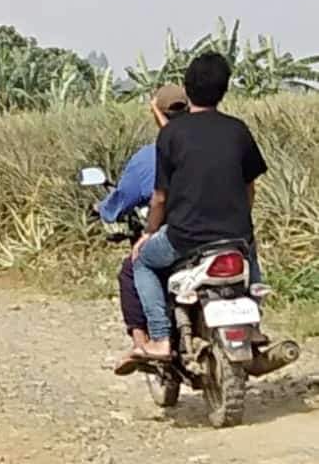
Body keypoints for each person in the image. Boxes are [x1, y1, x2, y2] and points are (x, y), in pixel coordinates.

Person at [132, 52, 268, 361]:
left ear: (187, 87)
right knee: (249, 246)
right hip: (234, 236)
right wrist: (240, 220)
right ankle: (254, 324)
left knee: (143, 262)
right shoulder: (238, 130)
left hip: (184, 238)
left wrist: (147, 234)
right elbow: (249, 187)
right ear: (224, 89)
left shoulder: (170, 135)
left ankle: (161, 338)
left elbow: (160, 198)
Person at [97, 85, 189, 374]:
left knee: (137, 265)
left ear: (157, 114)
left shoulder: (152, 155)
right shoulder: (219, 141)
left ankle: (149, 340)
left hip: (178, 235)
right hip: (226, 231)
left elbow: (152, 198)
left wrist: (104, 210)